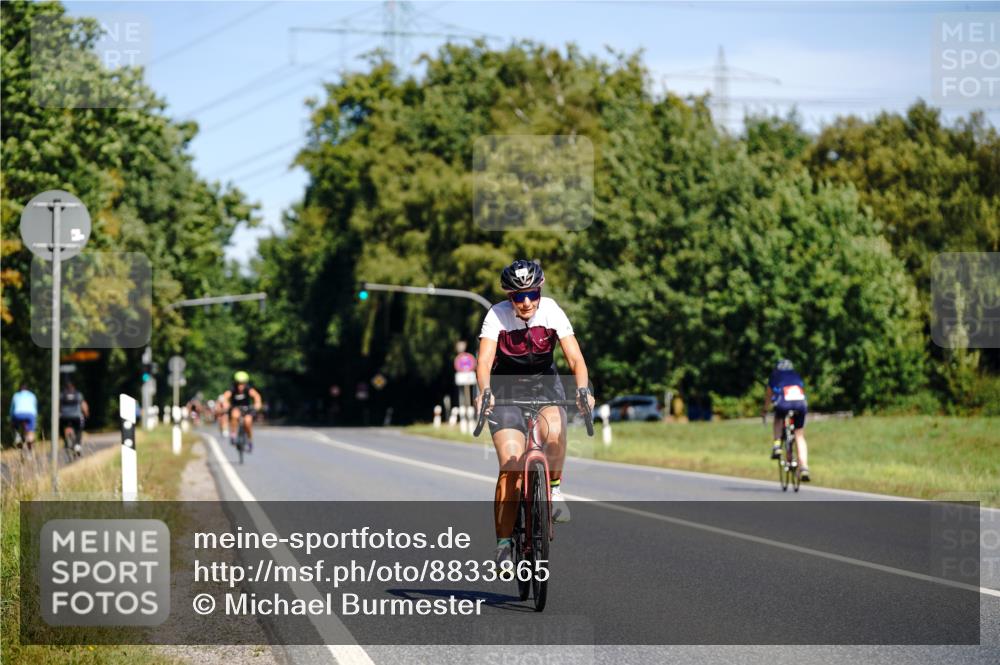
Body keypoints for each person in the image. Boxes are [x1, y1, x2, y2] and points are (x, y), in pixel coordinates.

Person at [474, 259, 595, 569]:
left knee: (555, 432)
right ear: (508, 297)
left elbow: (575, 359)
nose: (526, 302)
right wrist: (484, 391)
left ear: (539, 292)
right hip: (505, 393)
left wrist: (583, 391)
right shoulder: (496, 315)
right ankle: (503, 543)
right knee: (511, 465)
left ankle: (553, 491)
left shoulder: (552, 310)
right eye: (517, 296)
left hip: (545, 388)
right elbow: (484, 362)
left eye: (531, 294)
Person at [764, 359, 810, 481]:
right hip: (801, 405)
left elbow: (769, 395)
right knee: (799, 435)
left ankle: (777, 445)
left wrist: (764, 409)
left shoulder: (775, 375)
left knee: (778, 419)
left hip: (784, 404)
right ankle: (804, 467)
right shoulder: (796, 375)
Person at [221, 371, 263, 452]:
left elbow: (256, 396)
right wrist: (225, 403)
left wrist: (257, 404)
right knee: (234, 415)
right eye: (239, 383)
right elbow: (226, 396)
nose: (241, 386)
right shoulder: (232, 388)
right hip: (235, 407)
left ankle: (250, 440)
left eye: (242, 383)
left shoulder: (248, 388)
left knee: (248, 422)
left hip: (247, 409)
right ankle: (233, 434)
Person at [59, 381, 89, 455]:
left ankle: (65, 441)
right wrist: (86, 414)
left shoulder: (62, 395)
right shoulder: (78, 394)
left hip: (64, 417)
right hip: (76, 417)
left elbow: (58, 406)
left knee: (60, 427)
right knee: (79, 429)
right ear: (74, 387)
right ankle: (77, 445)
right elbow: (84, 405)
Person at [9, 383, 38, 449]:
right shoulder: (32, 395)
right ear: (28, 390)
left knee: (13, 426)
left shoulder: (15, 395)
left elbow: (11, 410)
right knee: (30, 433)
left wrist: (11, 419)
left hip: (18, 414)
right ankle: (30, 451)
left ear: (20, 389)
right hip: (30, 415)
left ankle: (17, 436)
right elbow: (35, 409)